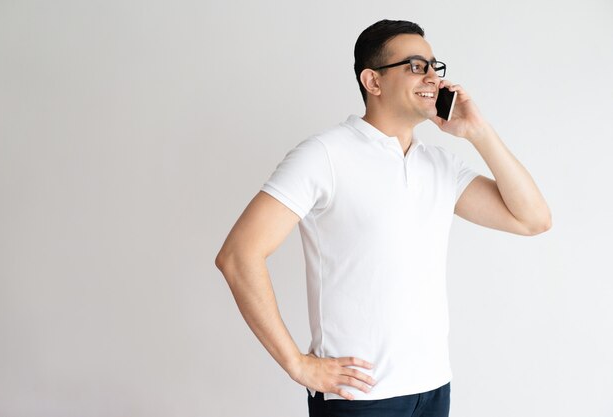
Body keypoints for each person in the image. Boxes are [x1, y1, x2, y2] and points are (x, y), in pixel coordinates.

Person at [215, 19, 551, 417]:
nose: (433, 78)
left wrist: (479, 132)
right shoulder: (325, 155)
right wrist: (296, 363)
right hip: (359, 398)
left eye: (433, 66)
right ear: (373, 81)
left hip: (432, 388)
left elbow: (533, 220)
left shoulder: (440, 164)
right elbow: (239, 255)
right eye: (415, 66)